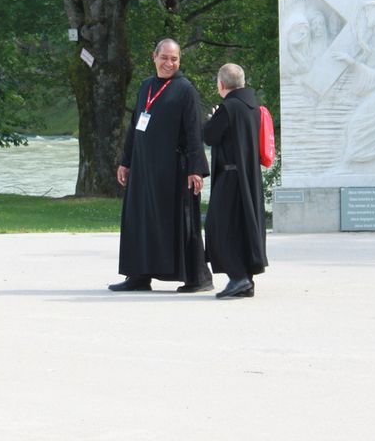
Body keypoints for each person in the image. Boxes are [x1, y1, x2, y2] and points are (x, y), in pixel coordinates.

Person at [109, 39, 214, 293]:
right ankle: (139, 276)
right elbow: (136, 126)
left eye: (174, 59)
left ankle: (198, 278)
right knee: (140, 220)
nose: (169, 63)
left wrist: (195, 168)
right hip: (144, 169)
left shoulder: (185, 89)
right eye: (165, 57)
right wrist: (126, 161)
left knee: (182, 222)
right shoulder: (146, 86)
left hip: (174, 170)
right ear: (154, 57)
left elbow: (193, 131)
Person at [202, 63, 268, 299]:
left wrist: (211, 119)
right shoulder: (252, 106)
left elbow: (209, 135)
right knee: (242, 227)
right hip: (248, 175)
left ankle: (237, 276)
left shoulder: (229, 107)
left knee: (219, 227)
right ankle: (245, 280)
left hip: (230, 177)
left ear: (221, 84)